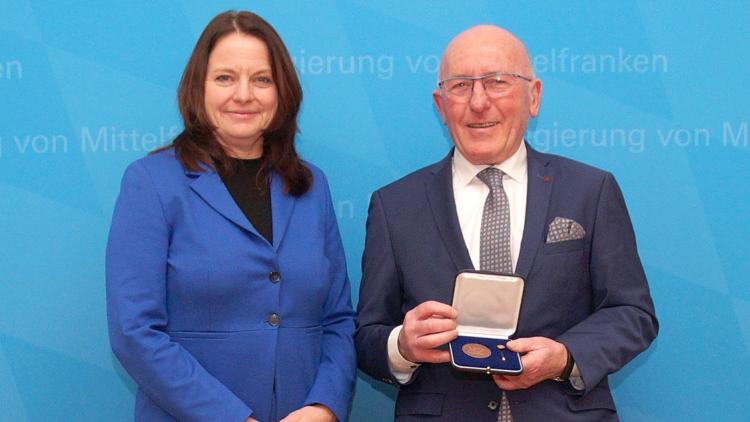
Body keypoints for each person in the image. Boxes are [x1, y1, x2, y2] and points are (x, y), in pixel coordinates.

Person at [355, 25, 658, 421]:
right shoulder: (393, 205)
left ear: (534, 96)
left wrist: (565, 358)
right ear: (440, 104)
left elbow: (632, 312)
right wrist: (402, 346)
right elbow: (365, 336)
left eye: (497, 82)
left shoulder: (591, 190)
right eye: (460, 86)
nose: (479, 102)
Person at [106, 11, 355, 422]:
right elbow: (135, 333)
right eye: (224, 78)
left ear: (283, 91)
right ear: (197, 88)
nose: (244, 94)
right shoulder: (151, 183)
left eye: (261, 79)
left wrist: (324, 407)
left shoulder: (313, 186)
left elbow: (339, 320)